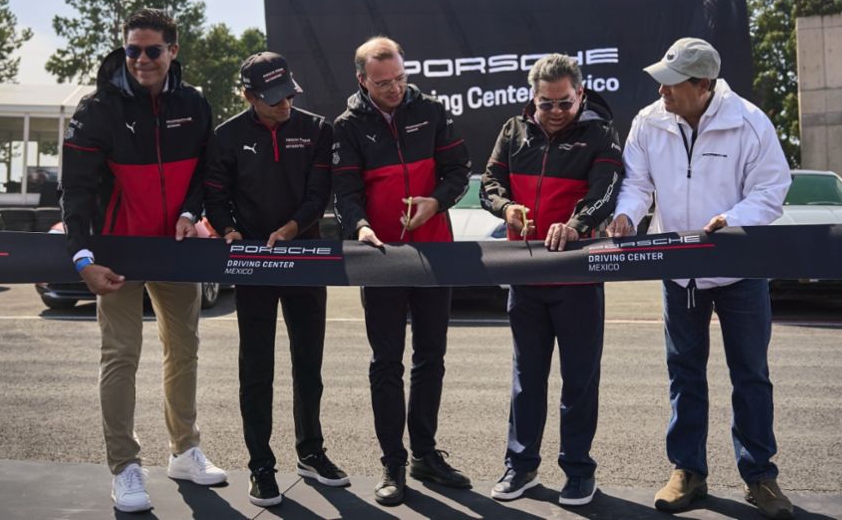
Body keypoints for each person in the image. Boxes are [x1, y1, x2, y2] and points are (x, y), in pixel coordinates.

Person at [607, 37, 794, 519]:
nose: (662, 90)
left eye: (673, 83)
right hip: (679, 271)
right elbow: (637, 184)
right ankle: (687, 470)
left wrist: (730, 219)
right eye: (662, 80)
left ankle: (760, 477)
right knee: (684, 374)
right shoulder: (649, 122)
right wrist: (628, 216)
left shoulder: (749, 122)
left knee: (750, 374)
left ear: (704, 85)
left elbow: (773, 188)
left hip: (740, 271)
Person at [60, 8, 226, 513]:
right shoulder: (97, 109)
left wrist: (191, 211)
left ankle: (184, 450)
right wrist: (83, 258)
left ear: (173, 51)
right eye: (133, 50)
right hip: (117, 254)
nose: (141, 60)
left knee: (185, 350)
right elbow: (77, 193)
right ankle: (125, 467)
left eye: (153, 50)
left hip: (175, 252)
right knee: (121, 357)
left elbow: (205, 172)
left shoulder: (195, 103)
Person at [203, 51, 349, 507]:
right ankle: (261, 465)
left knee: (309, 366)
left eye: (289, 92)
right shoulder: (226, 136)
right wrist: (228, 229)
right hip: (253, 264)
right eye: (273, 97)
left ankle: (311, 452)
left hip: (304, 257)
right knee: (256, 369)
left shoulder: (317, 129)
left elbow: (318, 193)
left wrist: (290, 230)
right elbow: (216, 194)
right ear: (249, 96)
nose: (285, 102)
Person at [331, 36, 472, 506]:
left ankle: (425, 454)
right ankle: (393, 463)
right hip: (382, 258)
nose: (394, 89)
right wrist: (362, 227)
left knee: (431, 358)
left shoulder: (432, 110)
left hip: (435, 254)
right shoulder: (347, 126)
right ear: (361, 80)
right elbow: (346, 193)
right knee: (386, 363)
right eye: (383, 82)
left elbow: (458, 169)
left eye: (400, 78)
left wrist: (437, 202)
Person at [480, 54, 623, 507]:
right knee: (527, 377)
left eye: (564, 102)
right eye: (546, 104)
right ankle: (520, 467)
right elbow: (489, 183)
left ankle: (578, 471)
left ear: (579, 94)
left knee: (579, 379)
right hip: (525, 275)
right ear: (532, 98)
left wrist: (576, 224)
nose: (556, 112)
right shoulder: (512, 130)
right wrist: (506, 209)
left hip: (577, 277)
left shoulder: (600, 132)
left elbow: (606, 189)